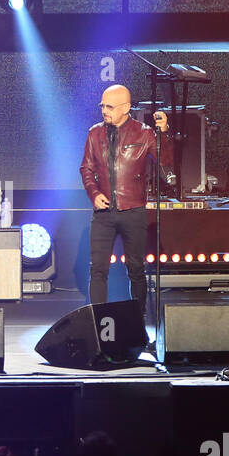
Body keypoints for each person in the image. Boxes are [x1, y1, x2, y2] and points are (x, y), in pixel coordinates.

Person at [78, 85, 173, 324]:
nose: (104, 111)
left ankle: (137, 320)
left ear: (126, 108)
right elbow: (86, 168)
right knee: (98, 269)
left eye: (109, 107)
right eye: (102, 106)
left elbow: (167, 164)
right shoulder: (95, 133)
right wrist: (93, 193)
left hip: (133, 210)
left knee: (136, 269)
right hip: (103, 212)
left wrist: (164, 133)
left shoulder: (144, 133)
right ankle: (98, 322)